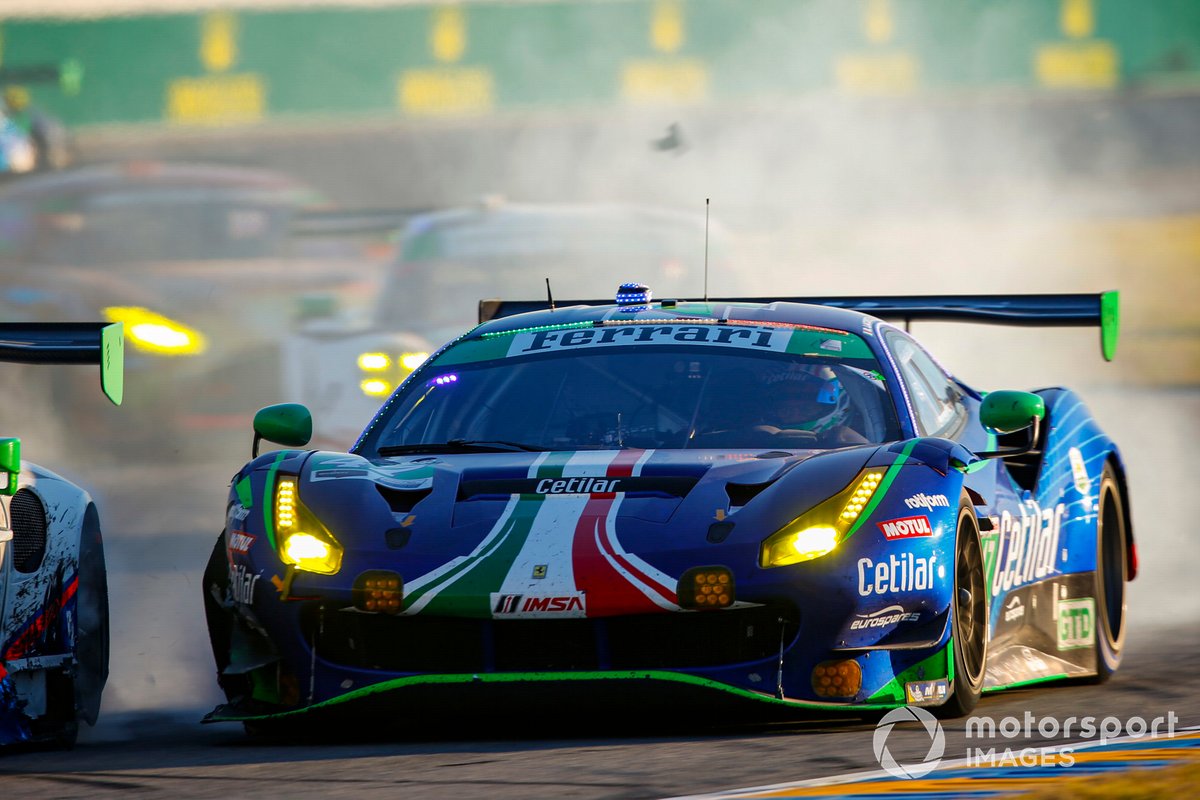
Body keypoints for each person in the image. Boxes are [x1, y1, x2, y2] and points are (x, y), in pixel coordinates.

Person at [759, 363, 866, 445]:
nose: (796, 417)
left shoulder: (864, 452)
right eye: (785, 410)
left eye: (806, 409)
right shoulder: (749, 443)